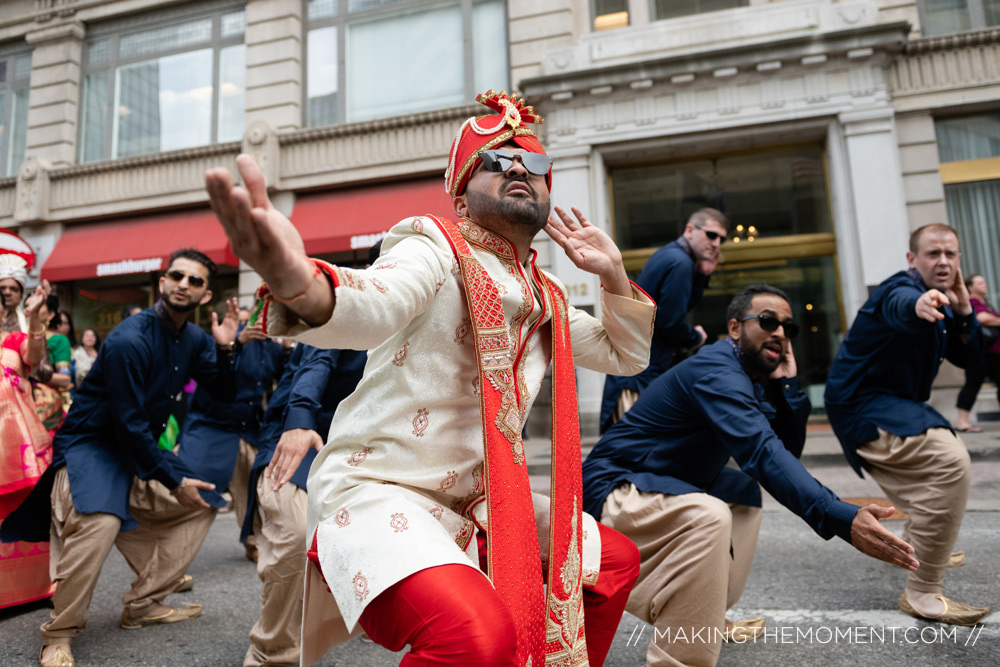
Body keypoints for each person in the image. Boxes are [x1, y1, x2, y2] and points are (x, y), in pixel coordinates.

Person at [206, 89, 657, 667]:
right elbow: (378, 300)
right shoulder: (433, 245)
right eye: (497, 159)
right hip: (382, 491)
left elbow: (626, 354)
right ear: (462, 196)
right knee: (474, 638)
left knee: (610, 561)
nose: (520, 166)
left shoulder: (546, 298)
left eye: (536, 162)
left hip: (484, 504)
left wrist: (614, 274)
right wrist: (301, 283)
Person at [582, 284, 919, 667]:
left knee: (743, 495)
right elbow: (761, 451)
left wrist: (787, 386)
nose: (779, 332)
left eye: (788, 328)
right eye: (768, 321)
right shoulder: (715, 370)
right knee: (709, 516)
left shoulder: (749, 377)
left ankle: (705, 613)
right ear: (735, 328)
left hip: (664, 484)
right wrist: (841, 516)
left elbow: (785, 452)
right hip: (612, 487)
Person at [1, 248, 241, 667]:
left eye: (195, 280)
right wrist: (173, 478)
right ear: (164, 281)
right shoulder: (131, 338)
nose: (183, 284)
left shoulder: (198, 339)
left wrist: (226, 349)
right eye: (176, 275)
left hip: (136, 445)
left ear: (205, 295)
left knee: (209, 499)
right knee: (101, 519)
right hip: (92, 445)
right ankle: (58, 633)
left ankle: (144, 603)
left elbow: (222, 394)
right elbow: (128, 423)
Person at [825, 223, 990, 625]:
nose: (944, 262)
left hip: (892, 403)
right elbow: (904, 306)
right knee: (949, 459)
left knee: (932, 479)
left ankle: (924, 542)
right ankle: (923, 591)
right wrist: (920, 303)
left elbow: (972, 361)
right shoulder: (898, 289)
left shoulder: (950, 302)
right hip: (860, 404)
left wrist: (965, 312)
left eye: (951, 254)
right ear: (912, 260)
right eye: (934, 254)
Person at [240, 341, 366, 667]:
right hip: (297, 434)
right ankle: (272, 653)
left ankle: (371, 613)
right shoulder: (343, 305)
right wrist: (300, 420)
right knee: (296, 532)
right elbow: (318, 360)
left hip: (361, 446)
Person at [599, 208, 727, 432]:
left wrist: (702, 275)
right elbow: (669, 322)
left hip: (636, 370)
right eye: (711, 234)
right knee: (631, 446)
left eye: (722, 239)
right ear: (690, 230)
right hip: (638, 375)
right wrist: (696, 337)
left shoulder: (673, 256)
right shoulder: (681, 263)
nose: (717, 243)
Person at [177, 315, 288, 564]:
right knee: (194, 495)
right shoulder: (225, 339)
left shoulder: (273, 347)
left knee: (255, 492)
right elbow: (212, 371)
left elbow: (285, 380)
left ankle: (253, 542)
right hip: (211, 426)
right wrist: (235, 343)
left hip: (247, 429)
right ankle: (171, 558)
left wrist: (288, 348)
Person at [0, 284, 56, 610]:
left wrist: (34, 316)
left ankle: (35, 591)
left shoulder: (13, 340)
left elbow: (35, 360)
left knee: (27, 513)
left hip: (17, 445)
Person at [955, 273, 1000, 432]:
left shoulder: (986, 303)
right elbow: (981, 318)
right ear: (970, 287)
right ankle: (962, 421)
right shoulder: (972, 302)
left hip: (994, 352)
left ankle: (963, 421)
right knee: (972, 384)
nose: (984, 285)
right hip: (980, 352)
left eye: (984, 282)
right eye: (980, 283)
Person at [0, 254, 28, 333]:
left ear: (21, 296)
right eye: (2, 288)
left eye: (14, 289)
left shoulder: (29, 324)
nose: (7, 292)